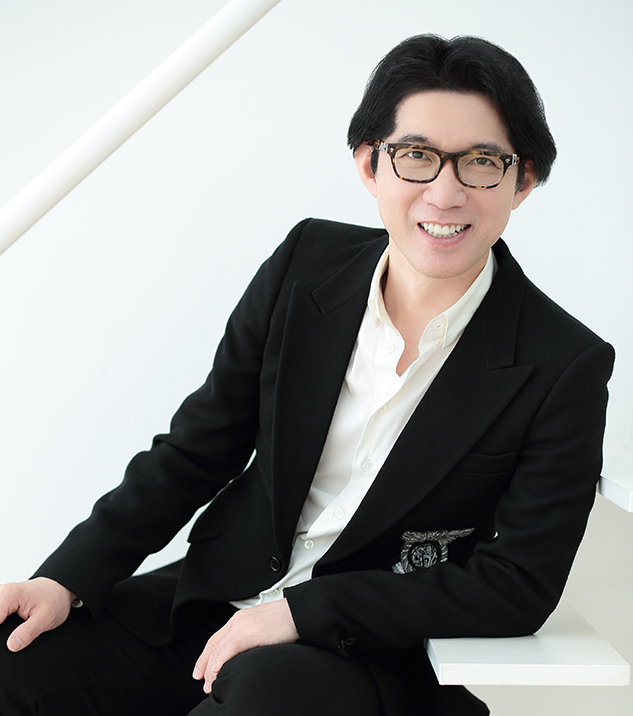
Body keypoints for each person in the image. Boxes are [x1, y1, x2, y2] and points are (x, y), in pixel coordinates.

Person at [0, 34, 615, 716]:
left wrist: (305, 611)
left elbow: (517, 583)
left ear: (522, 181)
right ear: (369, 165)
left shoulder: (564, 363)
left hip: (358, 651)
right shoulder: (305, 264)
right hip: (211, 606)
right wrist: (66, 577)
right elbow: (196, 450)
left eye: (481, 163)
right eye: (415, 156)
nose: (444, 193)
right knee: (11, 656)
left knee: (265, 694)